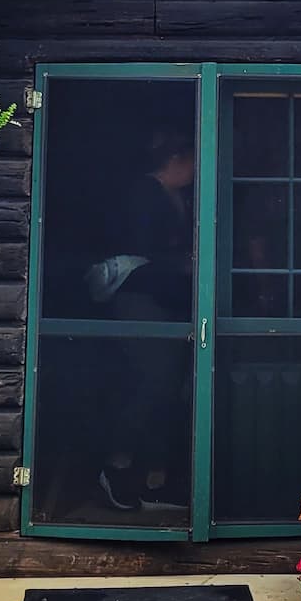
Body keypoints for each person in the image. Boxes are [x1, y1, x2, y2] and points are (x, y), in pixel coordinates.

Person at [94, 127, 195, 514]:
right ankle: (116, 467)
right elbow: (140, 250)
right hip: (142, 300)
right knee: (152, 382)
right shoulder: (143, 194)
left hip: (169, 302)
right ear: (174, 160)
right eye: (191, 161)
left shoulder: (178, 196)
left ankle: (154, 479)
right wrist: (183, 262)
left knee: (171, 388)